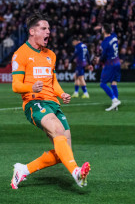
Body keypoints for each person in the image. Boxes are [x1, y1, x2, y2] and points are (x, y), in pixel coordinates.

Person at [10, 12, 90, 189]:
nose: (48, 32)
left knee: (65, 151)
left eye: (49, 29)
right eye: (44, 28)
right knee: (58, 130)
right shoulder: (20, 54)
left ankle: (23, 170)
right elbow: (16, 86)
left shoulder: (50, 55)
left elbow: (53, 81)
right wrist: (31, 88)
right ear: (32, 31)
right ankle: (77, 173)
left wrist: (61, 94)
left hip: (53, 103)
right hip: (34, 102)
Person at [97, 23, 121, 111]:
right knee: (114, 83)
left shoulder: (104, 42)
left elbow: (103, 56)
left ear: (104, 31)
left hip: (110, 64)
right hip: (117, 62)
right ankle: (115, 106)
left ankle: (115, 100)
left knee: (102, 83)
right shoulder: (114, 37)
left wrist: (99, 60)